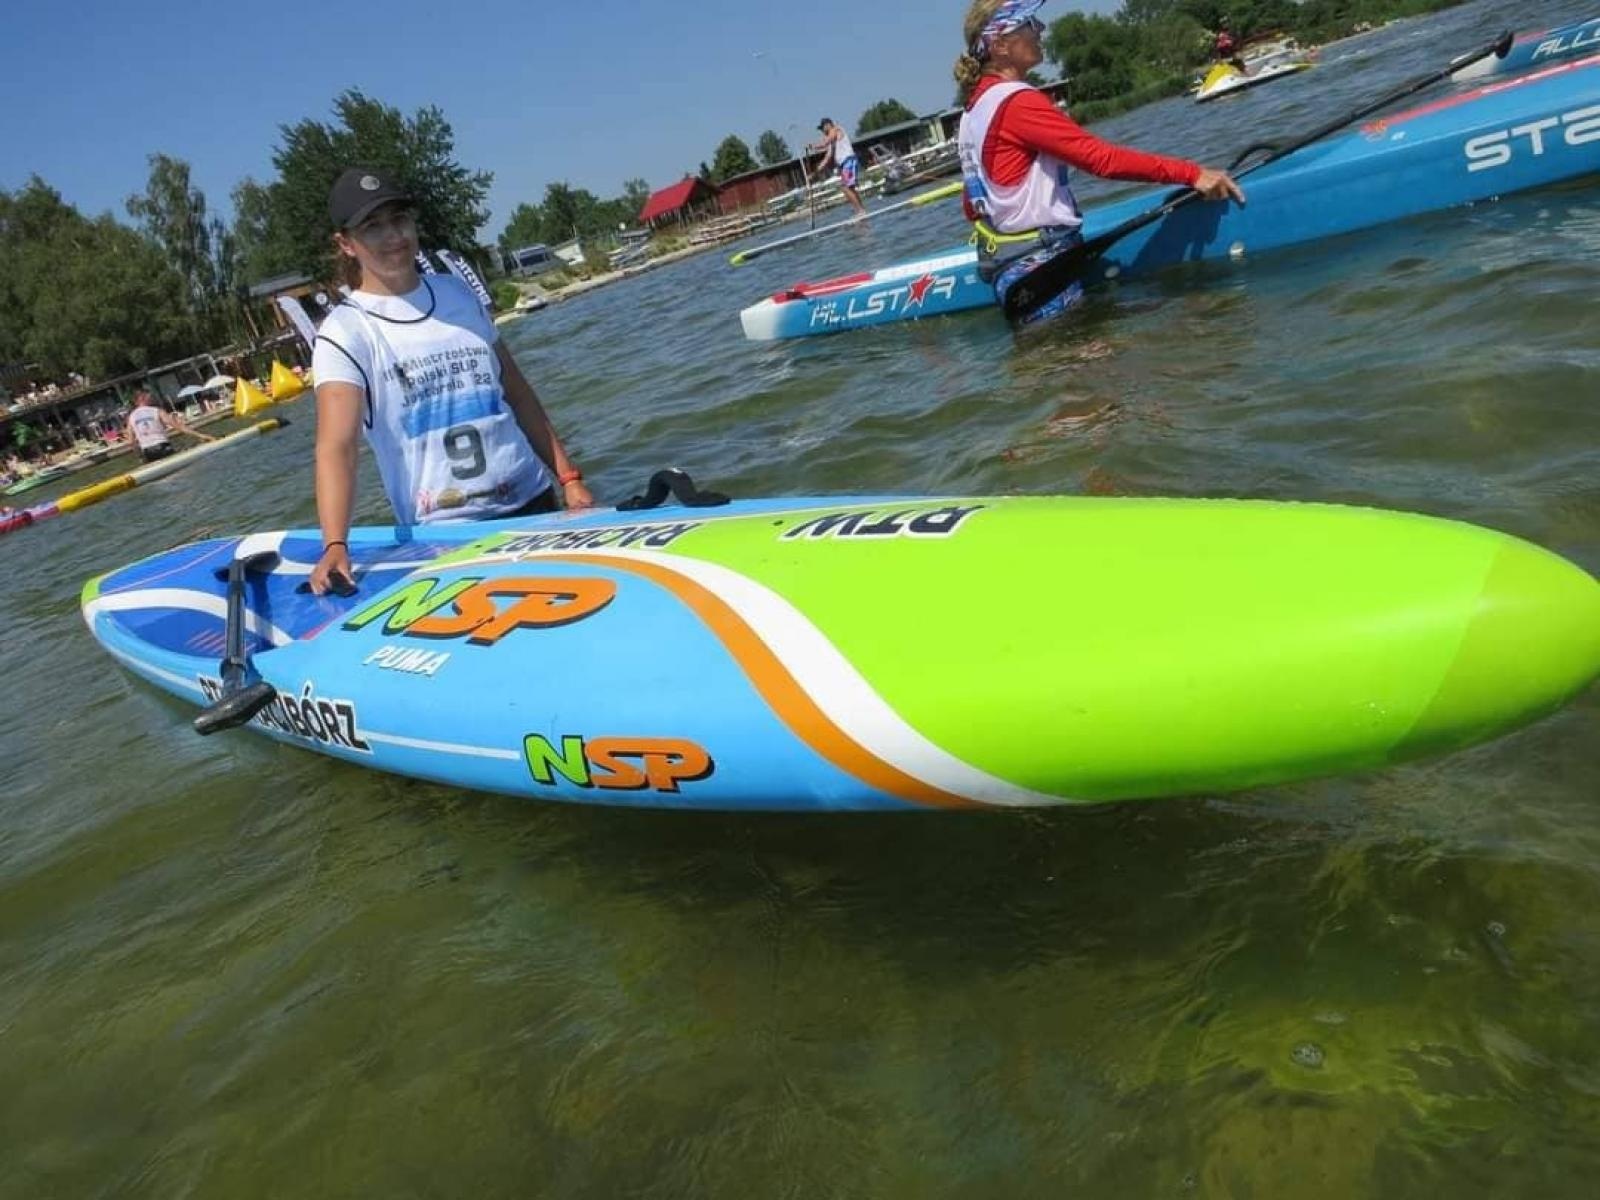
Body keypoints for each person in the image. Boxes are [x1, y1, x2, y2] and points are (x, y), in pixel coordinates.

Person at [308, 167, 593, 595]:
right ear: (346, 244)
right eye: (373, 227)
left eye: (400, 219)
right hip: (447, 536)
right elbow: (336, 446)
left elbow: (516, 392)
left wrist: (569, 479)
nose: (394, 236)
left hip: (535, 504)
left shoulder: (458, 295)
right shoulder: (344, 333)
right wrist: (335, 543)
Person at [953, 0, 1246, 325]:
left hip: (1014, 269)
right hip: (1043, 268)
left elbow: (972, 207)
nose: (1041, 30)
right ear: (999, 45)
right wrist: (1191, 173)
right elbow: (1101, 160)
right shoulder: (1018, 102)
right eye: (1029, 24)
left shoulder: (971, 112)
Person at [124, 390, 213, 463]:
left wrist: (140, 457)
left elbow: (131, 441)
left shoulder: (131, 417)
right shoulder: (157, 411)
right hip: (162, 447)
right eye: (149, 396)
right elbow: (178, 427)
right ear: (142, 398)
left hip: (147, 452)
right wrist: (201, 435)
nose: (151, 398)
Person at [811, 118, 868, 218]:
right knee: (849, 188)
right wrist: (814, 173)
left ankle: (860, 211)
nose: (822, 132)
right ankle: (861, 210)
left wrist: (813, 146)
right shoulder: (832, 142)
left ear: (828, 125)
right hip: (844, 165)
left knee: (846, 187)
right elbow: (827, 158)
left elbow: (825, 142)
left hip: (848, 161)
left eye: (822, 129)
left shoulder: (836, 129)